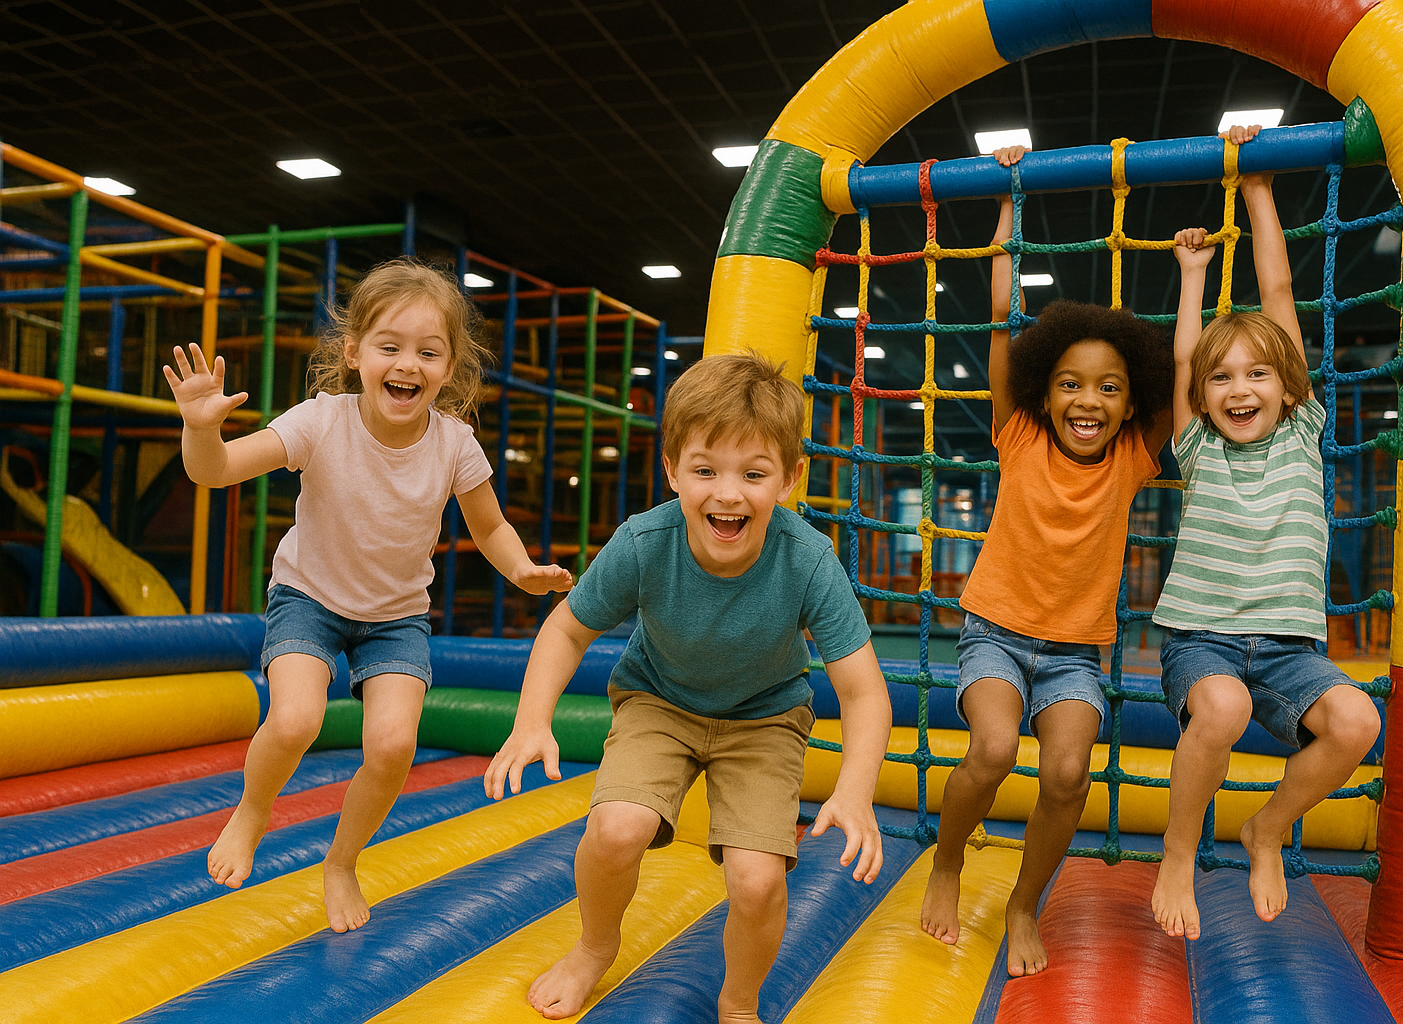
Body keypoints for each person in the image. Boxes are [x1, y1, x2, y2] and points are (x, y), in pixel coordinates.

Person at [164, 258, 572, 933]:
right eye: (390, 347)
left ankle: (342, 862)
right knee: (295, 720)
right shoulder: (320, 422)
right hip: (309, 597)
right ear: (355, 353)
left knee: (392, 746)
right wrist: (202, 429)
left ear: (449, 368)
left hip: (396, 618)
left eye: (428, 352)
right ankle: (253, 811)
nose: (408, 364)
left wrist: (521, 570)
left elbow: (490, 526)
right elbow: (217, 471)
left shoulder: (455, 444)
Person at [484, 352, 891, 1024]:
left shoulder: (808, 559)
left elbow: (864, 692)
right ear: (672, 470)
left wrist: (855, 790)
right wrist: (532, 721)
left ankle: (738, 1001)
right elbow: (566, 630)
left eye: (753, 474)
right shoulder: (646, 542)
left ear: (789, 479)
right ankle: (594, 946)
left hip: (764, 718)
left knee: (757, 881)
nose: (728, 494)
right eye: (705, 471)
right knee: (617, 829)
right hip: (660, 702)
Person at [920, 145, 1175, 975]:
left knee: (1067, 773)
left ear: (1131, 402)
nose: (1087, 400)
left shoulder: (1135, 456)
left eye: (1108, 387)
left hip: (1073, 654)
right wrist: (1008, 199)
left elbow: (1181, 368)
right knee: (993, 749)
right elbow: (1002, 318)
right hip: (994, 634)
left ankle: (1025, 904)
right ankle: (948, 863)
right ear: (1043, 390)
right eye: (1069, 383)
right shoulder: (1019, 434)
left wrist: (1193, 275)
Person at [1149, 126, 1382, 940]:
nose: (1238, 389)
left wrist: (1258, 191)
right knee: (1222, 705)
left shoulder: (1300, 431)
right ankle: (1179, 852)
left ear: (1287, 386)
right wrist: (1193, 278)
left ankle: (1267, 828)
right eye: (1223, 378)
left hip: (1288, 648)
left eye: (1257, 374)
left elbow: (1279, 296)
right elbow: (1184, 363)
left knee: (1358, 723)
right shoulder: (1197, 447)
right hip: (1204, 641)